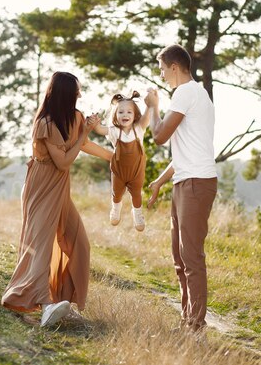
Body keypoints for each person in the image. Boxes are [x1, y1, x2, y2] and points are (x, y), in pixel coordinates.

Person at [1, 71, 112, 328]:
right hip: (41, 187)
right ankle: (44, 304)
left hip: (60, 189)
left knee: (79, 242)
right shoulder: (46, 124)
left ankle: (64, 302)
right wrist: (84, 133)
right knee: (41, 246)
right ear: (65, 93)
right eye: (77, 91)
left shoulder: (75, 118)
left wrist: (114, 158)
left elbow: (82, 146)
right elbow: (63, 162)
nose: (80, 95)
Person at [145, 44, 217, 334]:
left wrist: (153, 107)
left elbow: (160, 136)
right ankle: (188, 318)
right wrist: (160, 181)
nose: (161, 76)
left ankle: (196, 326)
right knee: (180, 255)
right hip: (185, 181)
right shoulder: (198, 95)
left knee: (191, 257)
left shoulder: (185, 92)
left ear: (175, 67)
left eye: (162, 69)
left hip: (196, 184)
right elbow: (186, 151)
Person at [92, 90, 152, 231]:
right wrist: (94, 124)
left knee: (136, 193)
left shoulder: (139, 129)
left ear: (135, 115)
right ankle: (116, 208)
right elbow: (100, 130)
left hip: (136, 171)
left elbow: (146, 119)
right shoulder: (114, 131)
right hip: (119, 171)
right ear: (115, 115)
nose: (125, 115)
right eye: (121, 112)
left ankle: (137, 213)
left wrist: (150, 106)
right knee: (117, 192)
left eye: (129, 112)